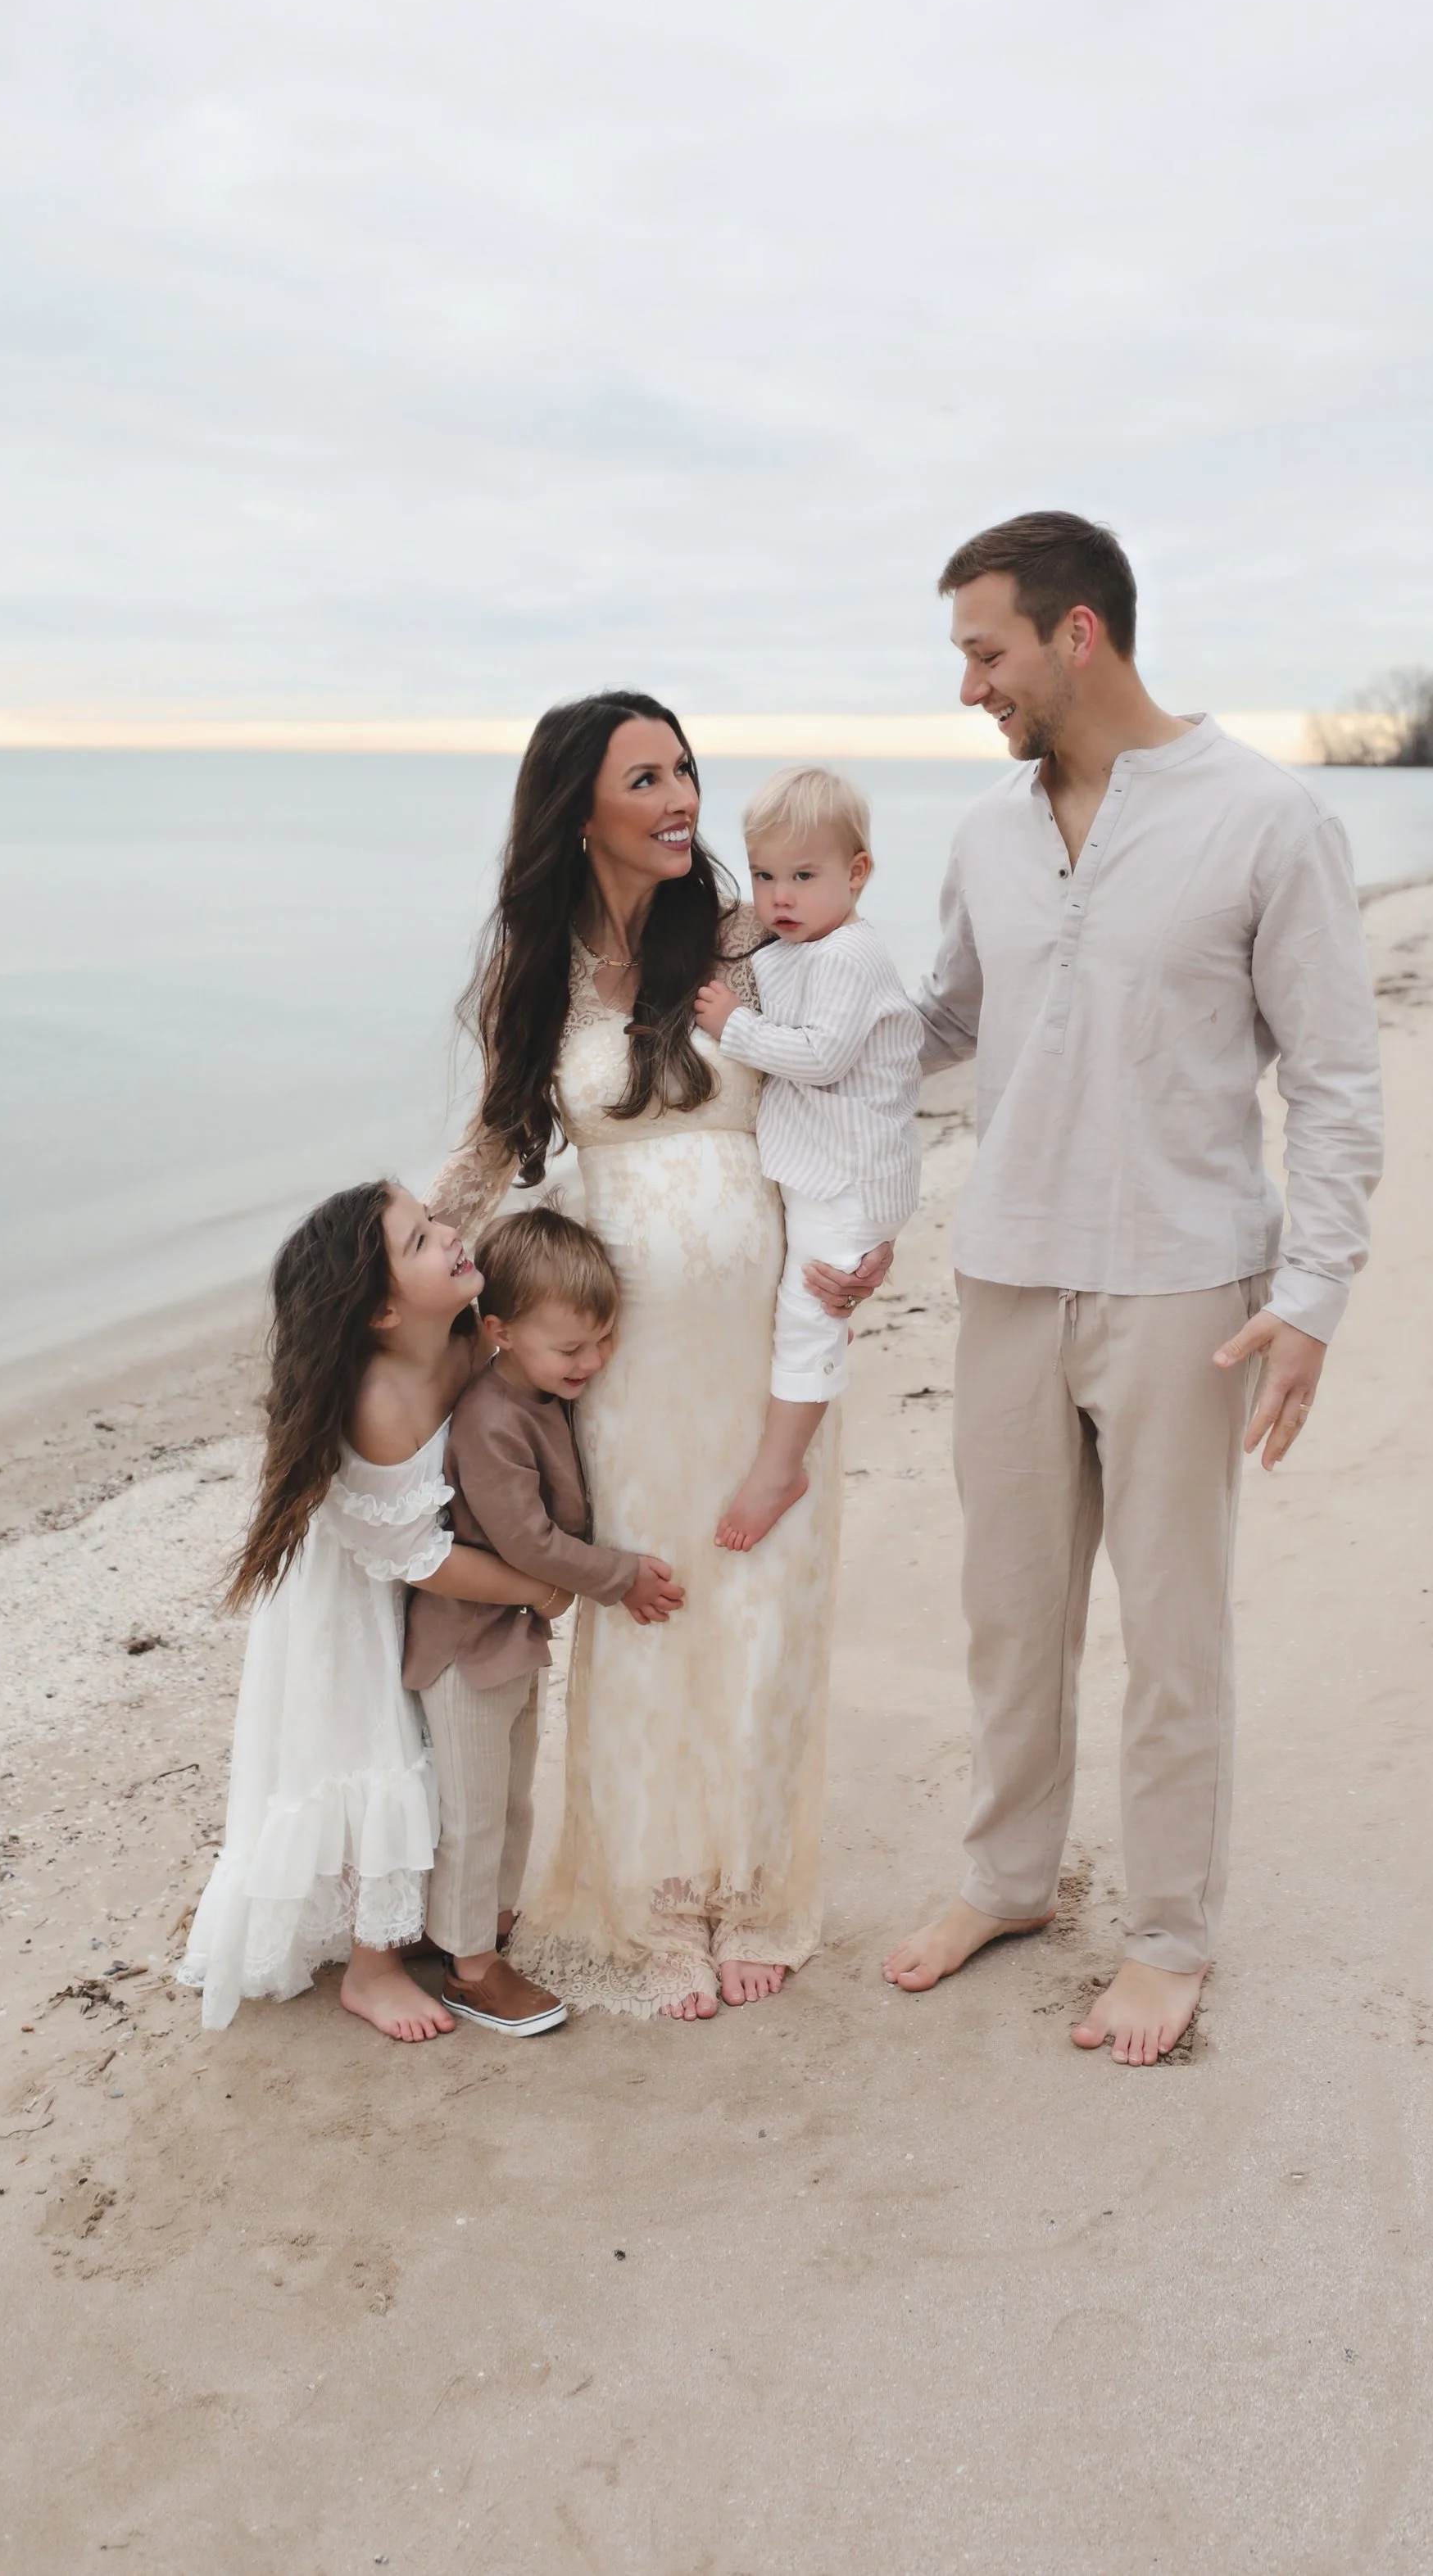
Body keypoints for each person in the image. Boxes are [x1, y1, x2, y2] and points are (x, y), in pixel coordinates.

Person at [877, 513, 1385, 2064]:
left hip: (1187, 1282)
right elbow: (949, 1022)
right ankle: (1008, 1880)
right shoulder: (986, 833)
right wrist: (767, 1010)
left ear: (1077, 633)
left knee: (1173, 1631)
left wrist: (1311, 1296)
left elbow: (1338, 1079)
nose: (968, 684)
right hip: (1008, 1269)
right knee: (1009, 1617)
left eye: (986, 650)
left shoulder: (1265, 820)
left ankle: (1169, 1937)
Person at [430, 694, 884, 2021]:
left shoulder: (748, 937)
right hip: (623, 1362)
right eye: (649, 777)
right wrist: (391, 1258)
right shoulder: (541, 975)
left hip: (769, 1340)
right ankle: (665, 1897)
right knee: (656, 1606)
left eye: (686, 768)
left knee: (770, 1601)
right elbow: (495, 1147)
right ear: (581, 812)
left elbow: (848, 1091)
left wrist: (867, 1242)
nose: (683, 795)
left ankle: (752, 1888)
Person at [180, 1181, 568, 2039]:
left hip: (424, 1586)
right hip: (354, 1598)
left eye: (435, 1223)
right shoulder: (380, 1401)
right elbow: (413, 1554)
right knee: (372, 1748)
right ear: (383, 1313)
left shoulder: (468, 1336)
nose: (451, 1236)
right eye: (421, 1240)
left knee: (449, 1750)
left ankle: (447, 1917)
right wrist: (534, 1586)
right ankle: (373, 1966)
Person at [401, 1203, 686, 2037]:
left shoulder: (542, 1393)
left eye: (602, 1342)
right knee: (474, 1810)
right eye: (571, 1349)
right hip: (462, 1648)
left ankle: (483, 1926)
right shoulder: (491, 1419)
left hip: (511, 1643)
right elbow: (528, 1540)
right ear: (498, 1331)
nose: (592, 1362)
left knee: (515, 1799)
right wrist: (618, 1576)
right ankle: (470, 1971)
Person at [693, 765, 923, 1549]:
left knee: (808, 1314)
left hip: (852, 1172)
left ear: (857, 875)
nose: (778, 897)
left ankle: (778, 1470)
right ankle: (804, 1393)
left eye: (801, 876)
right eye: (763, 875)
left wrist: (732, 1028)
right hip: (824, 1168)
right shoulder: (795, 946)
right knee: (806, 1303)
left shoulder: (849, 956)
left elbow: (821, 1056)